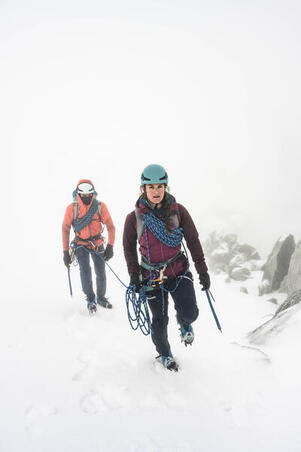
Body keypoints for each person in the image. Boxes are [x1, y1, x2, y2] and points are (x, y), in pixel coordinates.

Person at [123, 164, 210, 371]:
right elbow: (128, 248)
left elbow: (193, 241)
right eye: (151, 187)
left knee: (191, 312)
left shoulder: (179, 212)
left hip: (178, 271)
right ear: (143, 188)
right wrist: (134, 276)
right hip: (151, 276)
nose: (155, 191)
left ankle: (184, 322)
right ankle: (165, 354)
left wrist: (203, 270)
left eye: (159, 187)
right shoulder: (133, 218)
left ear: (166, 187)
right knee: (159, 321)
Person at [62, 179, 115, 313]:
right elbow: (65, 229)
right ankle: (90, 298)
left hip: (97, 243)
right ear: (78, 194)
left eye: (89, 195)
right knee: (85, 271)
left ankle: (101, 297)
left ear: (93, 193)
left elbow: (110, 226)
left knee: (101, 271)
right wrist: (65, 252)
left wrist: (110, 246)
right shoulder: (72, 209)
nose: (86, 197)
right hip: (80, 243)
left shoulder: (100, 207)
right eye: (83, 195)